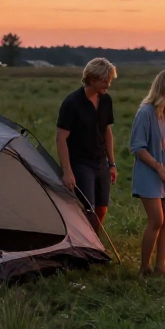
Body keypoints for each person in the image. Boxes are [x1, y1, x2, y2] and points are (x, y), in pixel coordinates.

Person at [130, 69, 165, 279]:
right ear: (160, 90)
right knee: (156, 219)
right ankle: (144, 269)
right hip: (150, 172)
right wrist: (160, 169)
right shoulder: (145, 113)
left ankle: (160, 268)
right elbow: (138, 148)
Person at [56, 58, 118, 231]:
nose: (108, 85)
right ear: (91, 79)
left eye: (109, 81)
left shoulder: (106, 101)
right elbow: (61, 138)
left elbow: (107, 132)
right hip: (81, 163)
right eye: (104, 81)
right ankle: (85, 250)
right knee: (87, 210)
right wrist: (67, 171)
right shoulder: (72, 103)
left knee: (101, 209)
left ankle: (94, 245)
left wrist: (112, 164)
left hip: (102, 162)